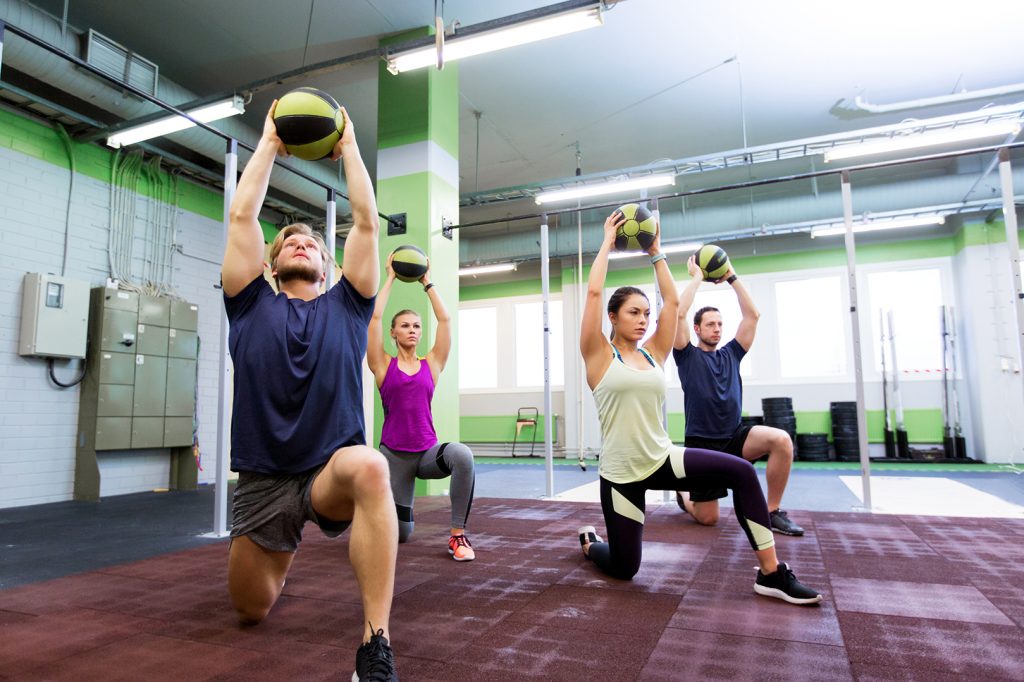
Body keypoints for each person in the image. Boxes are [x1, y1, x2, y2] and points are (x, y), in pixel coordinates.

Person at [221, 101, 399, 681]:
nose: (301, 243)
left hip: (330, 470)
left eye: (312, 244)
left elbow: (368, 225)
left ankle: (375, 646)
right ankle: (282, 543)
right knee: (251, 611)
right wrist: (270, 140)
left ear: (327, 263)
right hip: (264, 479)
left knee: (371, 467)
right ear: (270, 265)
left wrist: (347, 146)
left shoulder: (349, 306)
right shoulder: (248, 305)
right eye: (289, 242)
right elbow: (243, 218)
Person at [576, 209, 821, 605]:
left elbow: (673, 303)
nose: (643, 321)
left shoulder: (655, 354)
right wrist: (607, 243)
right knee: (625, 569)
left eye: (646, 314)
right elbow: (592, 293)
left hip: (661, 458)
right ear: (612, 317)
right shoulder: (598, 356)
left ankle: (772, 574)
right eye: (633, 313)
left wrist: (656, 252)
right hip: (621, 474)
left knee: (742, 473)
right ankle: (590, 544)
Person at [672, 255, 804, 536]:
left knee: (781, 440)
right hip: (702, 445)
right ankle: (684, 496)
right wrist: (697, 277)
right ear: (697, 329)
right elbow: (678, 314)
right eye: (710, 324)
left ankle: (772, 512)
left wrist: (731, 275)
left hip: (734, 437)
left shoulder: (732, 353)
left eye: (720, 324)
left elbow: (753, 315)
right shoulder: (686, 355)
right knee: (708, 519)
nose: (717, 329)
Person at [367, 255, 477, 561]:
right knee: (401, 536)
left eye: (416, 325)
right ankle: (382, 513)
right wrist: (390, 276)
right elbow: (373, 319)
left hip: (427, 454)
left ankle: (457, 536)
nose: (412, 330)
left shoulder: (433, 363)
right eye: (405, 325)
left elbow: (445, 320)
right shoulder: (382, 365)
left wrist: (426, 281)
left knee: (462, 455)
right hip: (395, 457)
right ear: (394, 333)